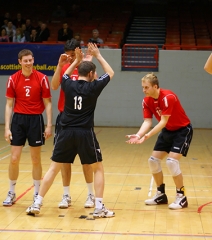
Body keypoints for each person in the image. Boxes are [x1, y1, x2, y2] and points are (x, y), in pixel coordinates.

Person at [26, 43, 115, 218]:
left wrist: (76, 62)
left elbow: (64, 76)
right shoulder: (94, 87)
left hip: (65, 131)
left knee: (53, 168)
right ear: (90, 74)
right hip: (84, 133)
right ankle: (99, 207)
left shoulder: (68, 85)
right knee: (98, 168)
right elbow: (110, 73)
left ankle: (37, 203)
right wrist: (97, 55)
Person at [126, 73, 193, 210]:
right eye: (142, 87)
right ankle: (160, 194)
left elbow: (163, 121)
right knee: (153, 161)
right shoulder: (146, 101)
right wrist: (139, 135)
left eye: (146, 87)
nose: (143, 90)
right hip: (168, 131)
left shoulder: (168, 97)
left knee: (172, 162)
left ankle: (181, 196)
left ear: (155, 86)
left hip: (182, 130)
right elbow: (147, 121)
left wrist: (147, 136)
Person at [3, 49, 52, 206]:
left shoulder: (42, 78)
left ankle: (37, 193)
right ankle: (11, 192)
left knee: (35, 159)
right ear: (20, 62)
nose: (28, 63)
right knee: (14, 158)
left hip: (35, 120)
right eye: (25, 61)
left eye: (30, 60)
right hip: (18, 120)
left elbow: (48, 103)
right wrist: (6, 127)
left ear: (33, 60)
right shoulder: (13, 79)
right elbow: (9, 105)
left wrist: (49, 125)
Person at [51, 39, 95, 209]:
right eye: (68, 55)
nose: (70, 58)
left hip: (83, 119)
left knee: (86, 160)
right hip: (64, 119)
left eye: (72, 55)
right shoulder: (64, 67)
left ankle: (91, 195)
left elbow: (95, 84)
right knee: (64, 160)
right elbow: (54, 86)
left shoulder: (86, 68)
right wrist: (59, 65)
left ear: (79, 52)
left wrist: (88, 63)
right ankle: (66, 195)